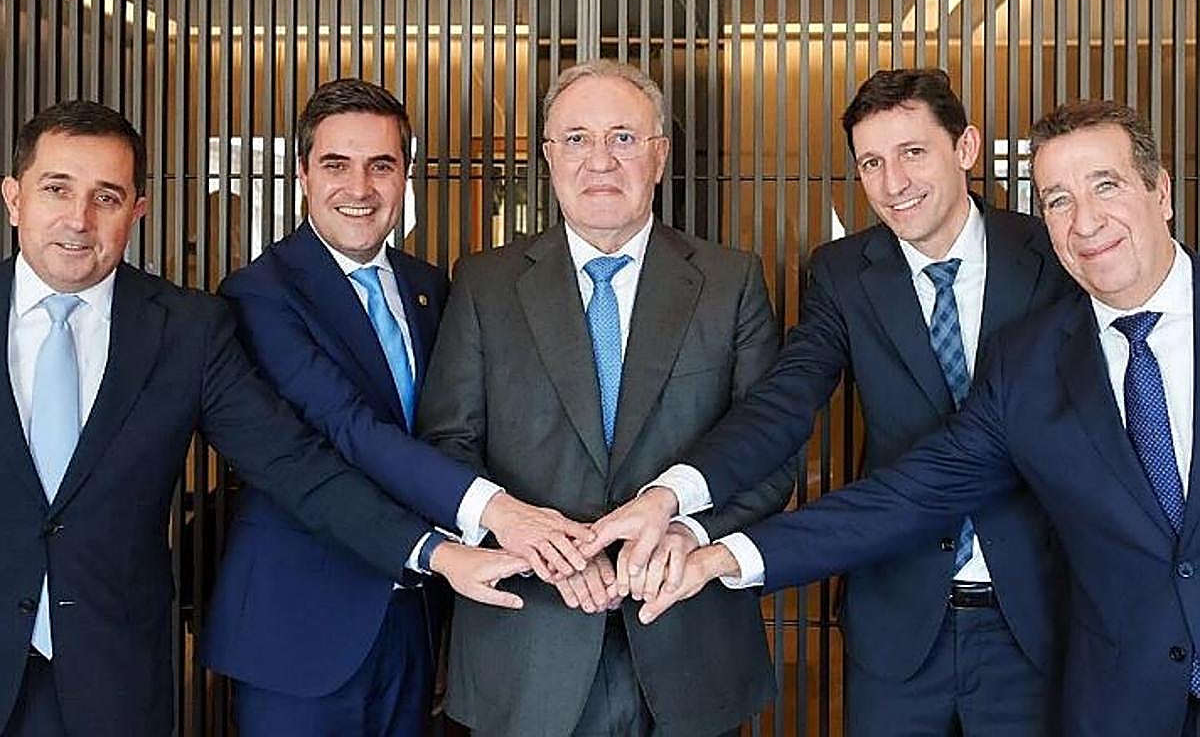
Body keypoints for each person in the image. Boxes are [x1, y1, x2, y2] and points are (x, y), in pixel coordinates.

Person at [621, 100, 1200, 737]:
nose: (1085, 221)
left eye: (1106, 186)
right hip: (953, 639)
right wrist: (711, 544)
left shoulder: (1045, 267)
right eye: (1059, 200)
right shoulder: (1025, 358)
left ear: (1161, 191)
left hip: (1047, 625)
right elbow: (898, 484)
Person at [0, 100, 533, 737]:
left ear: (137, 210)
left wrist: (437, 555)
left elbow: (295, 465)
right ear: (14, 199)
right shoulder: (261, 291)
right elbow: (344, 425)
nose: (79, 219)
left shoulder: (186, 330)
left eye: (106, 197)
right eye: (56, 189)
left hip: (113, 677)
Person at [200, 79, 591, 736]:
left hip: (418, 617)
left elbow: (456, 431)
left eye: (380, 165)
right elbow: (347, 426)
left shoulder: (431, 287)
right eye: (336, 164)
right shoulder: (259, 294)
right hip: (300, 630)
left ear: (405, 175)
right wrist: (497, 511)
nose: (359, 188)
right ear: (302, 173)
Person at [417, 59, 794, 736]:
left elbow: (771, 452)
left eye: (623, 137)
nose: (600, 160)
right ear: (548, 157)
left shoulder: (730, 281)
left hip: (687, 633)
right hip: (528, 639)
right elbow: (448, 444)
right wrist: (538, 544)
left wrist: (689, 532)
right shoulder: (483, 283)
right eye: (577, 138)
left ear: (660, 156)